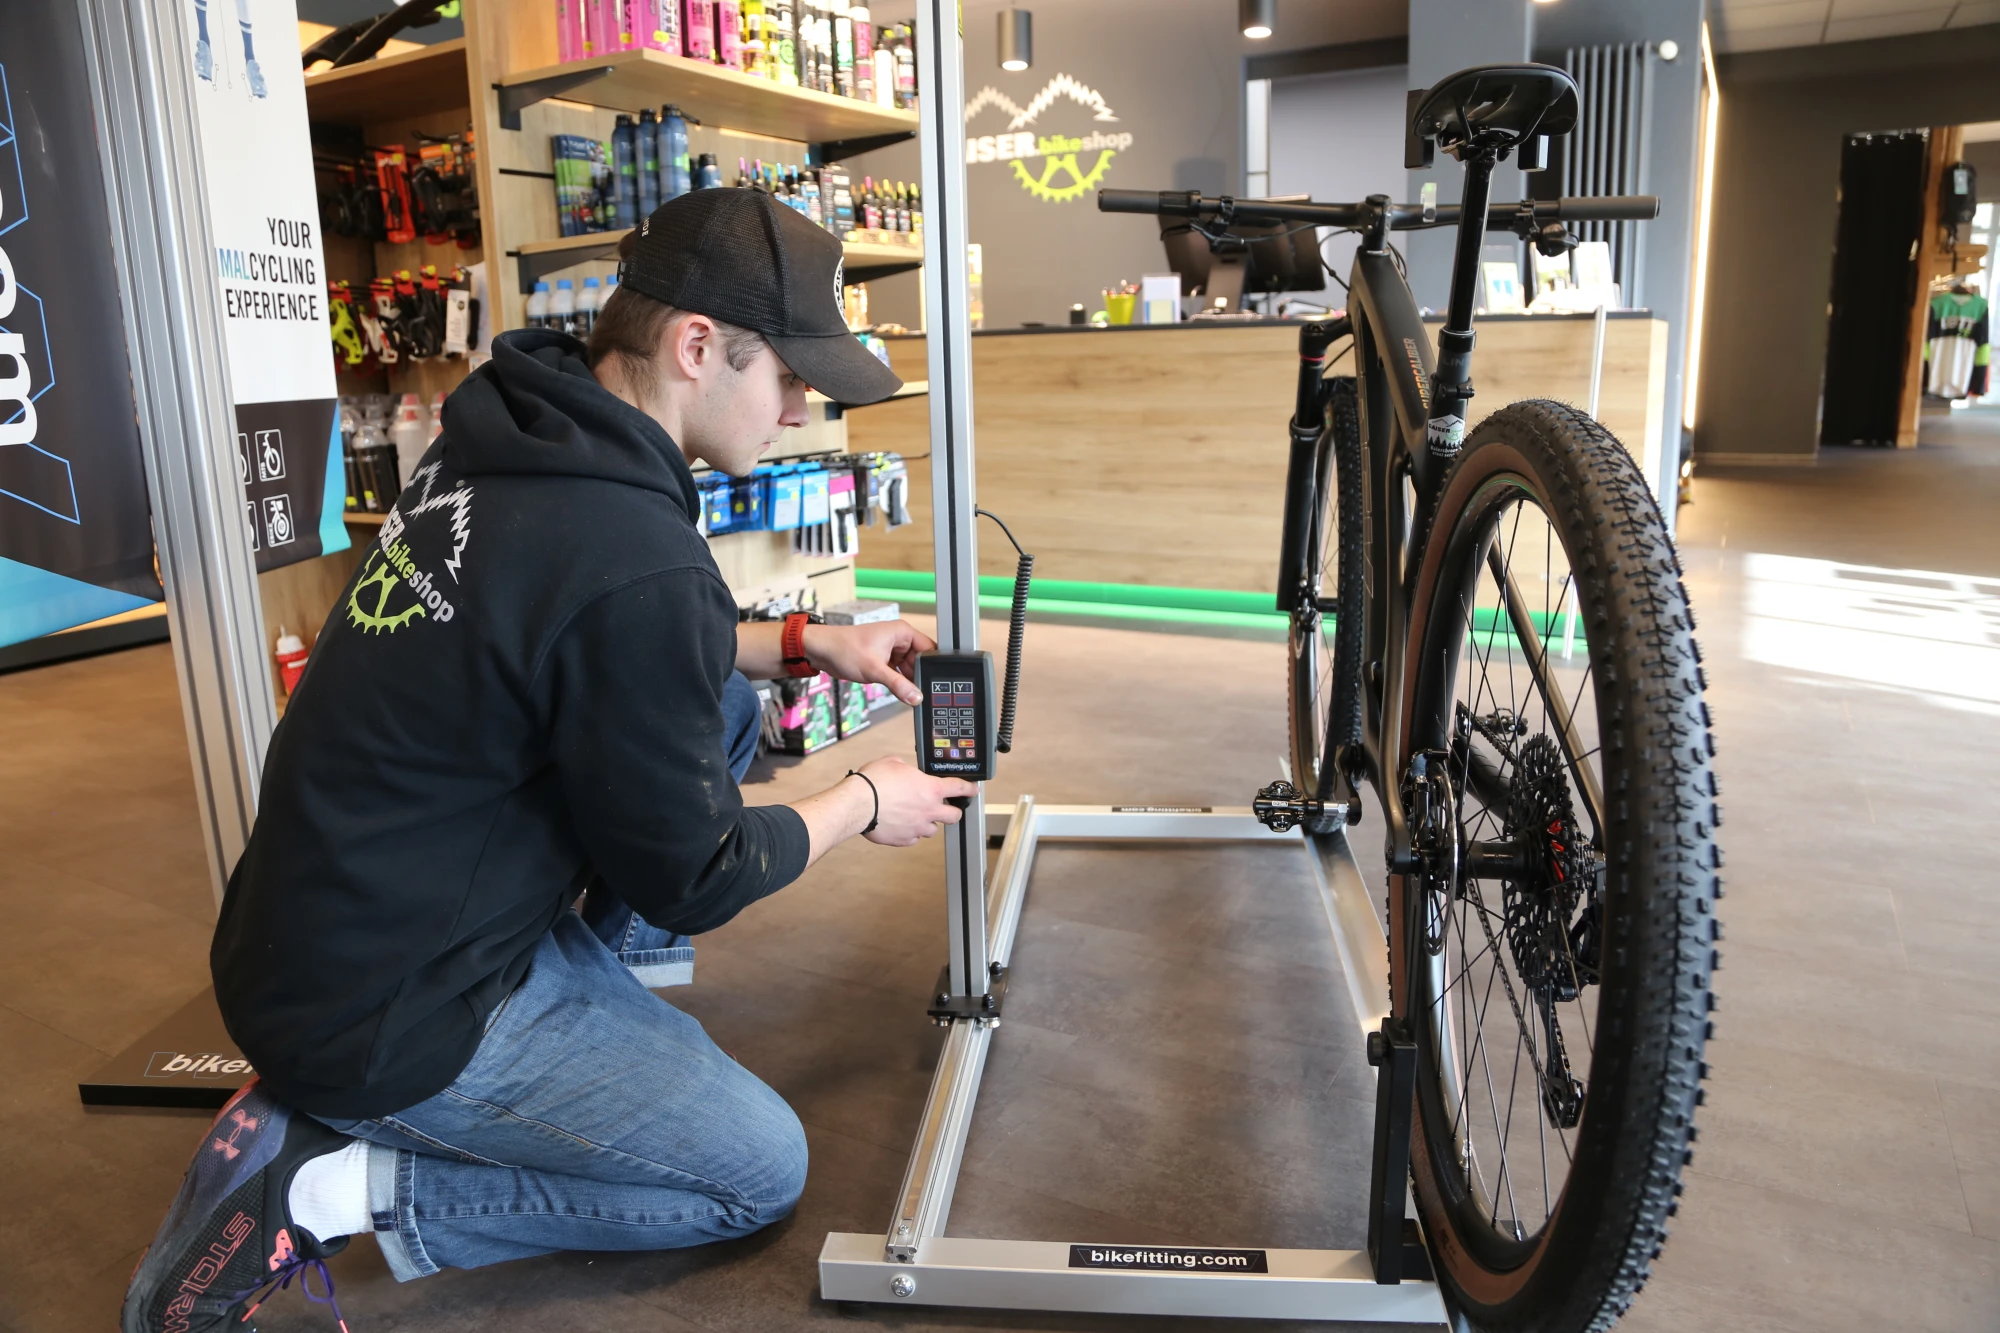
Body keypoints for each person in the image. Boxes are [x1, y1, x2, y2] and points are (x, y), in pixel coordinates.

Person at [121, 188, 974, 1333]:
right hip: (391, 1010)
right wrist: (865, 798)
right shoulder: (629, 550)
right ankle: (322, 1184)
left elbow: (579, 631)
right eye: (790, 375)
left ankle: (580, 1025)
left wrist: (802, 640)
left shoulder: (505, 438)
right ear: (696, 346)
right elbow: (701, 874)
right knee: (753, 1172)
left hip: (315, 932)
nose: (801, 404)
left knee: (720, 703)